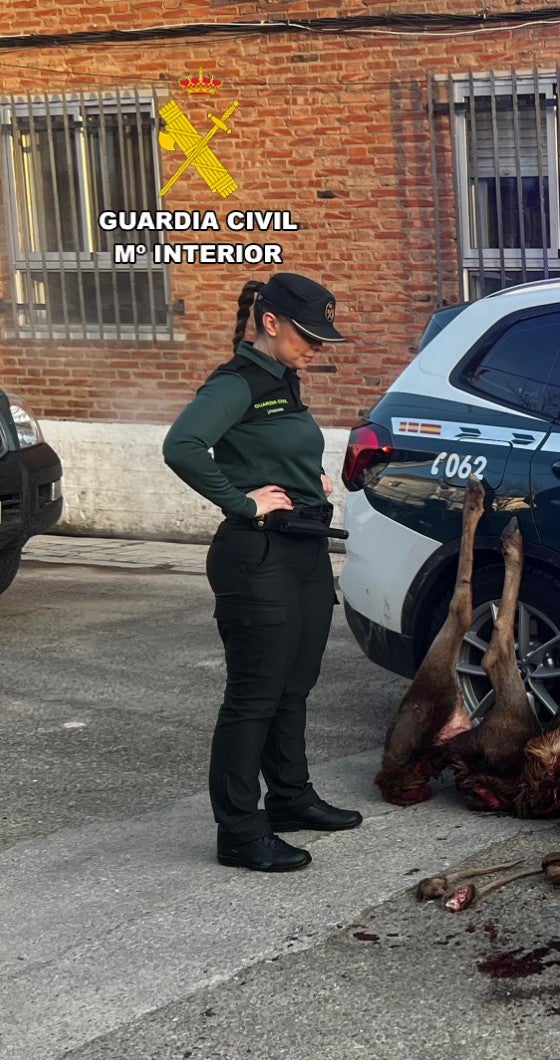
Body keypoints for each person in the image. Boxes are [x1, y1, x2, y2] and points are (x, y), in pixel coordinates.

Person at [163, 273, 361, 873]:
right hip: (257, 557)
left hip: (302, 549)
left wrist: (308, 480)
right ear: (270, 323)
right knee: (254, 697)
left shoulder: (283, 379)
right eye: (308, 335)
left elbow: (272, 446)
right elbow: (183, 446)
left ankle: (291, 799)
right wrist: (244, 502)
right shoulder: (236, 382)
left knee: (294, 686)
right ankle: (241, 832)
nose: (316, 348)